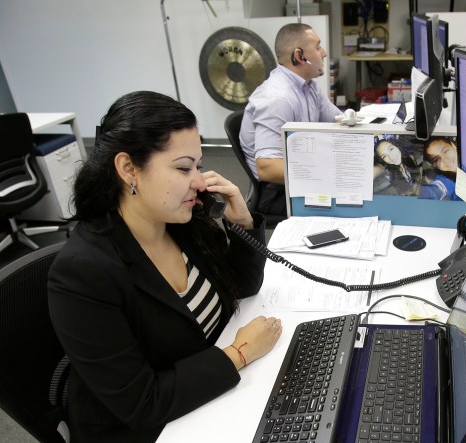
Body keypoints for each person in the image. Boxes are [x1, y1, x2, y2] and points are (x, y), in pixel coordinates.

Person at [47, 91, 282, 442]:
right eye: (183, 168)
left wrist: (243, 223)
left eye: (198, 166)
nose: (199, 182)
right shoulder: (83, 273)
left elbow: (242, 286)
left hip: (207, 395)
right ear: (129, 169)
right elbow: (142, 403)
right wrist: (238, 353)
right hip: (151, 429)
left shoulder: (180, 221)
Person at [240, 23, 342, 216]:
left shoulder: (309, 86)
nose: (324, 53)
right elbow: (267, 168)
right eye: (318, 47)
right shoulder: (277, 99)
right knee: (352, 199)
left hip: (303, 169)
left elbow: (338, 120)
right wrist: (328, 171)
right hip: (277, 190)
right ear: (299, 56)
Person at [373, 136, 457, 200]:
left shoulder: (409, 157)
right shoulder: (388, 170)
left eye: (391, 149)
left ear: (397, 146)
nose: (391, 157)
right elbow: (437, 190)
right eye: (384, 156)